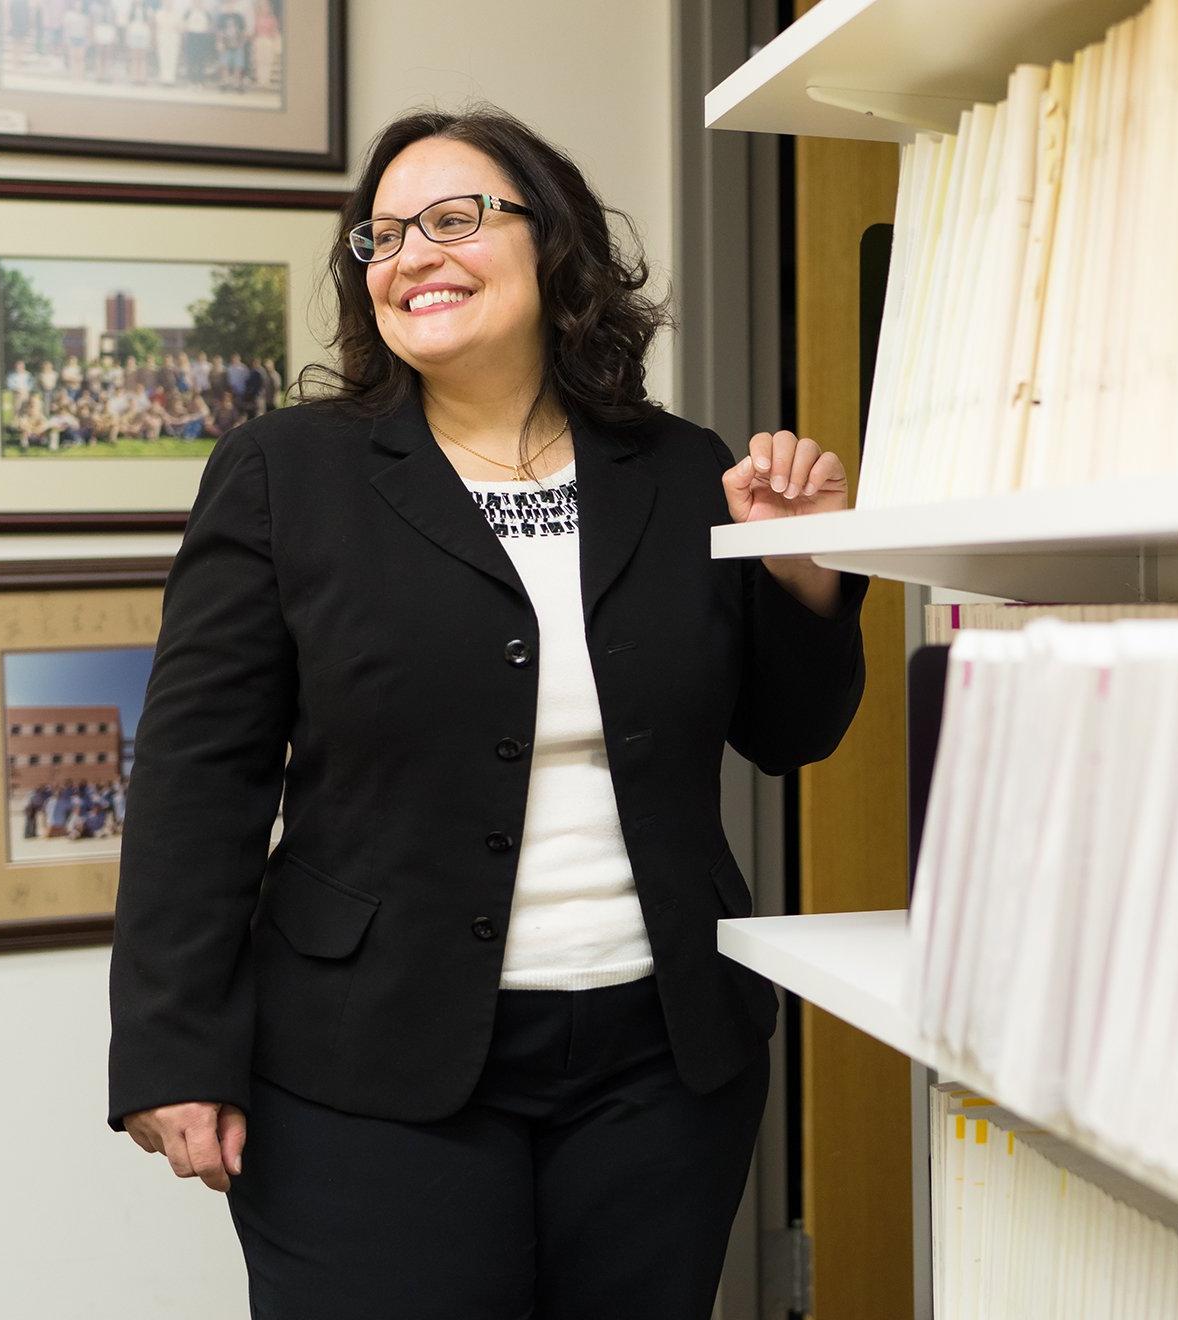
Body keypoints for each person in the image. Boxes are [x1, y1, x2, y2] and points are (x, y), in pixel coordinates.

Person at [108, 104, 865, 1320]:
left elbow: (791, 734)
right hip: (367, 1063)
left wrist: (805, 579)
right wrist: (173, 1048)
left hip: (660, 1065)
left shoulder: (678, 468)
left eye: (454, 218)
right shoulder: (286, 474)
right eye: (383, 237)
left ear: (551, 240)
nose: (413, 253)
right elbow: (201, 777)